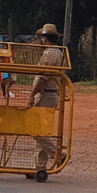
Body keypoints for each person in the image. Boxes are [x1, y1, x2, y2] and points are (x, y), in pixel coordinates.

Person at [27, 23, 67, 175]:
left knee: (35, 129)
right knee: (42, 131)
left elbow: (43, 78)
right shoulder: (57, 53)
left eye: (42, 38)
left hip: (46, 94)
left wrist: (32, 94)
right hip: (50, 94)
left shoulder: (50, 54)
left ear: (45, 38)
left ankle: (58, 155)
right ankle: (40, 167)